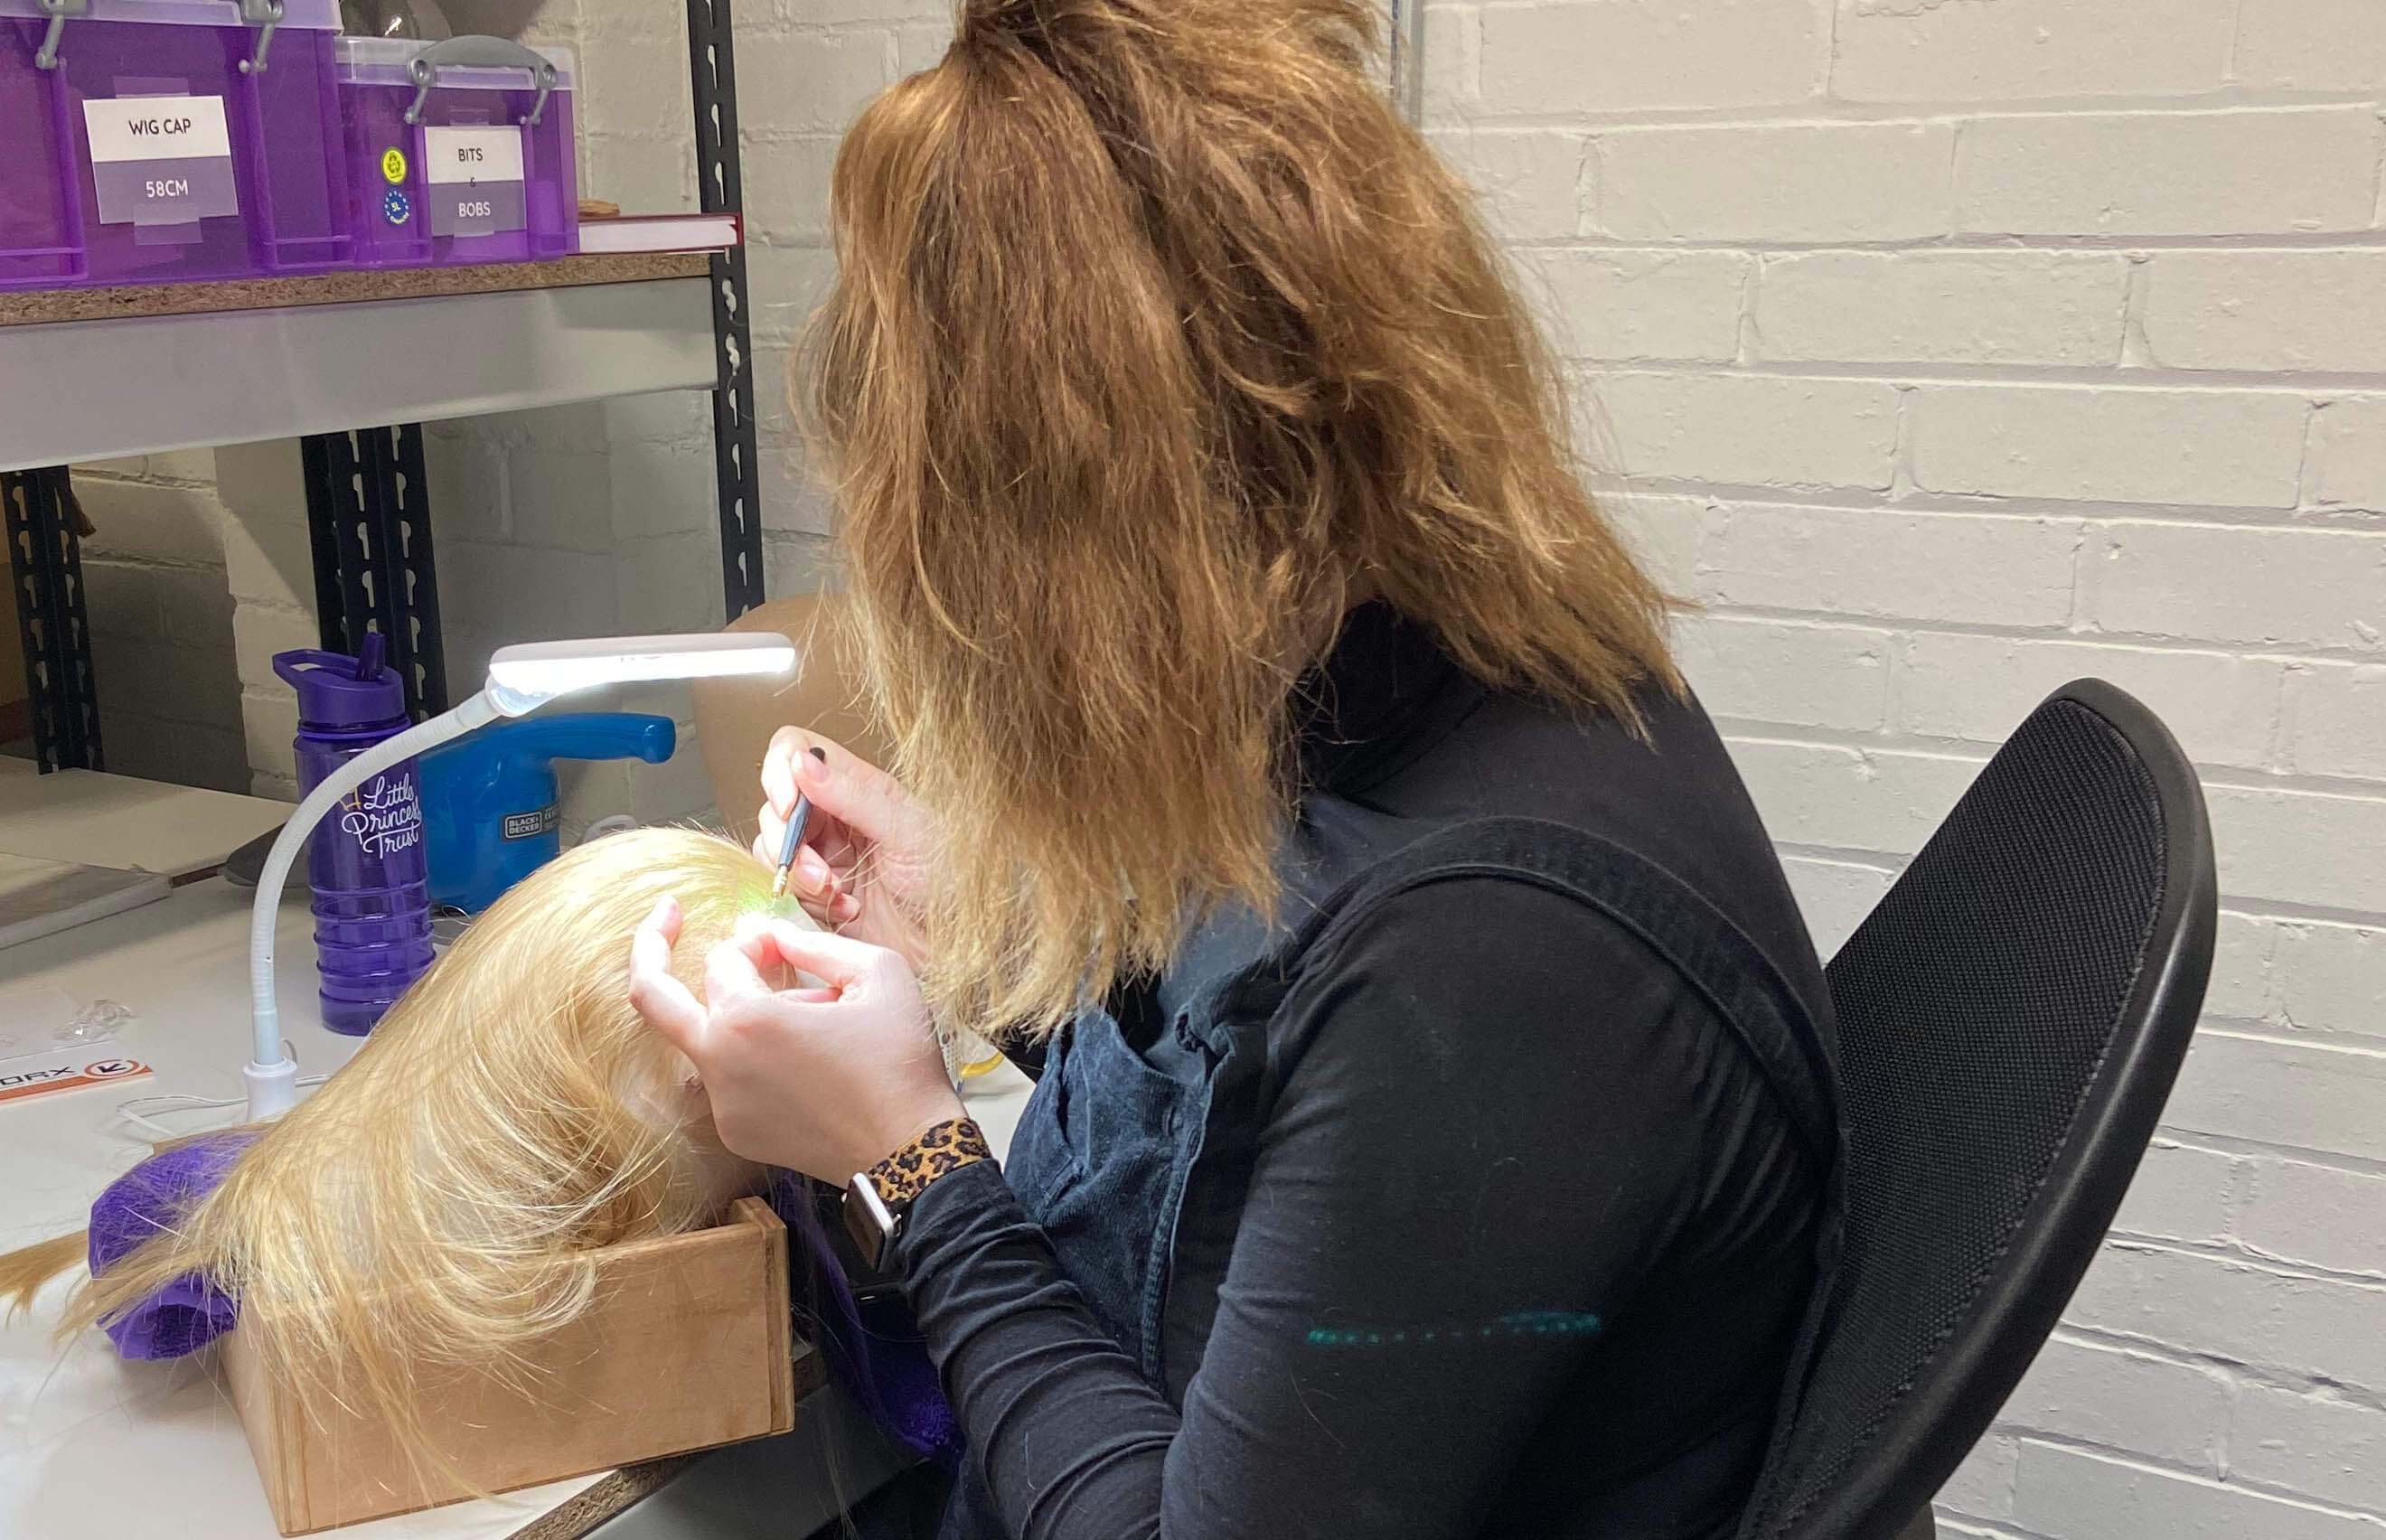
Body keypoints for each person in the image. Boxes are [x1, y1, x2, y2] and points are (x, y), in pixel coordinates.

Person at [626, 1, 1841, 1535]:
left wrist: (909, 1159)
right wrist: (979, 952)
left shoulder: (1484, 953)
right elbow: (1258, 1073)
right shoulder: (1418, 669)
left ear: (1078, 529)